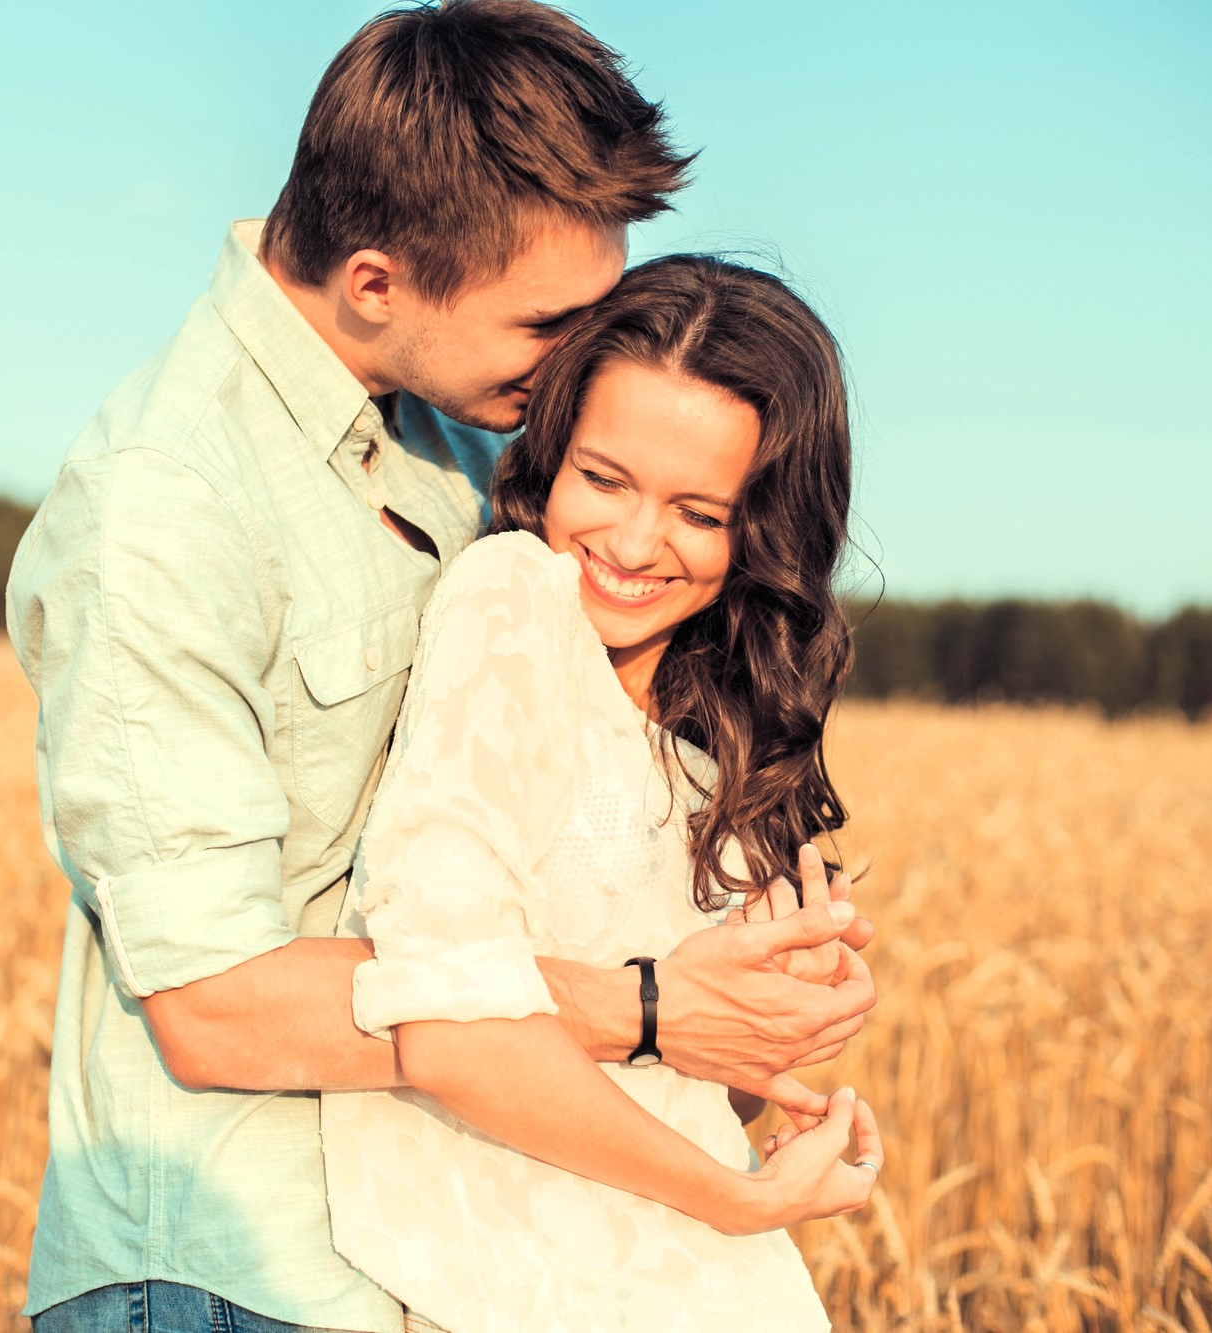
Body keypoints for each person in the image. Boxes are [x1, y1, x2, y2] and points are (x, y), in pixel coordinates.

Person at [5, 5, 877, 1330]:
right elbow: (216, 1007)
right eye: (550, 321)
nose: (582, 359)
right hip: (228, 1276)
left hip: (447, 1264)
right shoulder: (162, 510)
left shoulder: (478, 439)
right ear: (375, 280)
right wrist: (648, 1010)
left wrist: (742, 978)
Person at [321, 255, 880, 1333]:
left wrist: (771, 1023)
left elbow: (676, 1076)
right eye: (604, 479)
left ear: (762, 530)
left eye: (697, 512)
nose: (630, 544)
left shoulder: (703, 737)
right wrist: (737, 1195)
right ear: (550, 456)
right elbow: (447, 1019)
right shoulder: (510, 600)